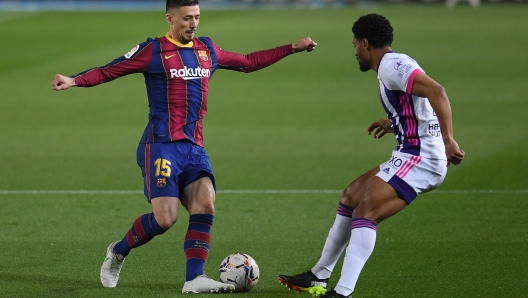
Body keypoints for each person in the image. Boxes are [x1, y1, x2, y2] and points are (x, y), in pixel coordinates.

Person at [52, 0, 317, 293]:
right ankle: (117, 251)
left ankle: (194, 278)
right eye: (188, 18)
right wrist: (74, 80)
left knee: (205, 204)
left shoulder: (207, 50)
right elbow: (110, 69)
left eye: (198, 17)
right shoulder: (153, 51)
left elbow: (248, 62)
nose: (193, 24)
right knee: (166, 219)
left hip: (194, 148)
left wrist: (292, 47)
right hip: (161, 145)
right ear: (170, 18)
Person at [278, 13, 464, 298]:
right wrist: (396, 123)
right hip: (409, 151)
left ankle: (343, 292)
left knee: (366, 211)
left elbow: (437, 91)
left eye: (354, 45)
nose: (354, 52)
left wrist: (448, 141)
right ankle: (319, 275)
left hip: (422, 158)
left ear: (366, 44)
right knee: (351, 195)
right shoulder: (392, 66)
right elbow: (417, 104)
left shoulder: (392, 66)